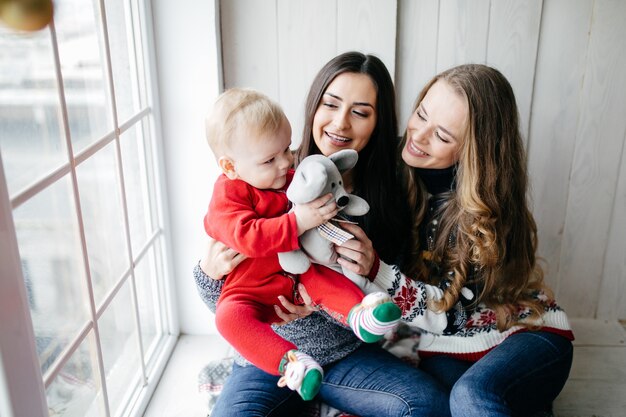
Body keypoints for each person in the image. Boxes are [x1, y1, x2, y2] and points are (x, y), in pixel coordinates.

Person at [194, 52, 449, 417]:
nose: (340, 123)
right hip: (273, 354)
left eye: (360, 112)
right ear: (314, 107)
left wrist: (366, 274)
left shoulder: (391, 193)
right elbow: (229, 300)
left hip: (344, 355)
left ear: (378, 123)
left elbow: (402, 298)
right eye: (331, 104)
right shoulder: (268, 167)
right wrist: (209, 271)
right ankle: (296, 374)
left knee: (426, 404)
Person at [365, 64, 574, 416]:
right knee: (448, 401)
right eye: (421, 114)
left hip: (525, 332)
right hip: (446, 346)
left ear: (471, 152)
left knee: (473, 395)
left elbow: (448, 312)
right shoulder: (391, 167)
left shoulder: (483, 212)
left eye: (443, 136)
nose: (418, 136)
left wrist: (376, 270)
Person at [202, 88, 402, 401]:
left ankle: (360, 314)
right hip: (254, 290)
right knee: (227, 316)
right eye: (270, 159)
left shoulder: (305, 175)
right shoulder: (230, 195)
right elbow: (246, 237)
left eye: (287, 149)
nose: (285, 163)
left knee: (322, 277)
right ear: (230, 167)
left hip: (305, 285)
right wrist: (298, 222)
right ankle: (292, 364)